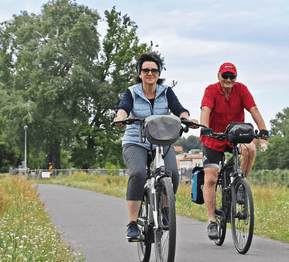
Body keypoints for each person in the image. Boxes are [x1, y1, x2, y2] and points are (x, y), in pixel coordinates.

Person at [114, 52, 197, 241]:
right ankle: (133, 223)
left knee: (173, 174)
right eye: (146, 70)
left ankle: (165, 210)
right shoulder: (132, 92)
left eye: (154, 70)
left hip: (162, 140)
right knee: (138, 173)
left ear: (159, 73)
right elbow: (123, 108)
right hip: (136, 141)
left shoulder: (166, 92)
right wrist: (120, 117)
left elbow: (178, 109)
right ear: (140, 73)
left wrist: (186, 118)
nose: (150, 73)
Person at [200, 62, 268, 240]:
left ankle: (239, 185)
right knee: (211, 177)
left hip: (235, 135)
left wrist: (263, 130)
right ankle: (212, 221)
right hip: (214, 137)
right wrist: (205, 128)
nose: (228, 80)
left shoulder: (241, 89)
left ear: (236, 77)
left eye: (232, 76)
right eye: (225, 76)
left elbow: (253, 109)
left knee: (250, 148)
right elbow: (205, 109)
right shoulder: (211, 90)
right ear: (219, 76)